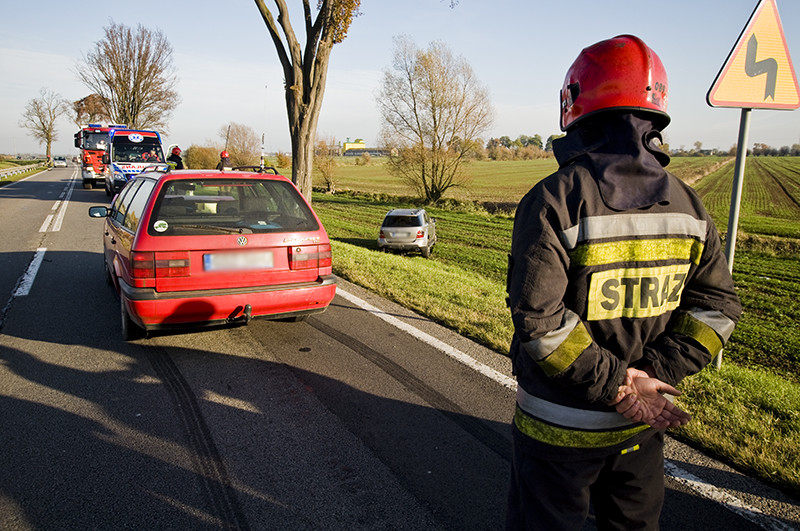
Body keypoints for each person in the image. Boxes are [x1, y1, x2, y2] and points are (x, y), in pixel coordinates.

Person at [505, 34, 742, 530]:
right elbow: (717, 309)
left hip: (559, 428)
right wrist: (651, 376)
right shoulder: (690, 205)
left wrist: (618, 383)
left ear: (574, 104)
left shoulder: (554, 199)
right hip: (641, 423)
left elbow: (541, 323)